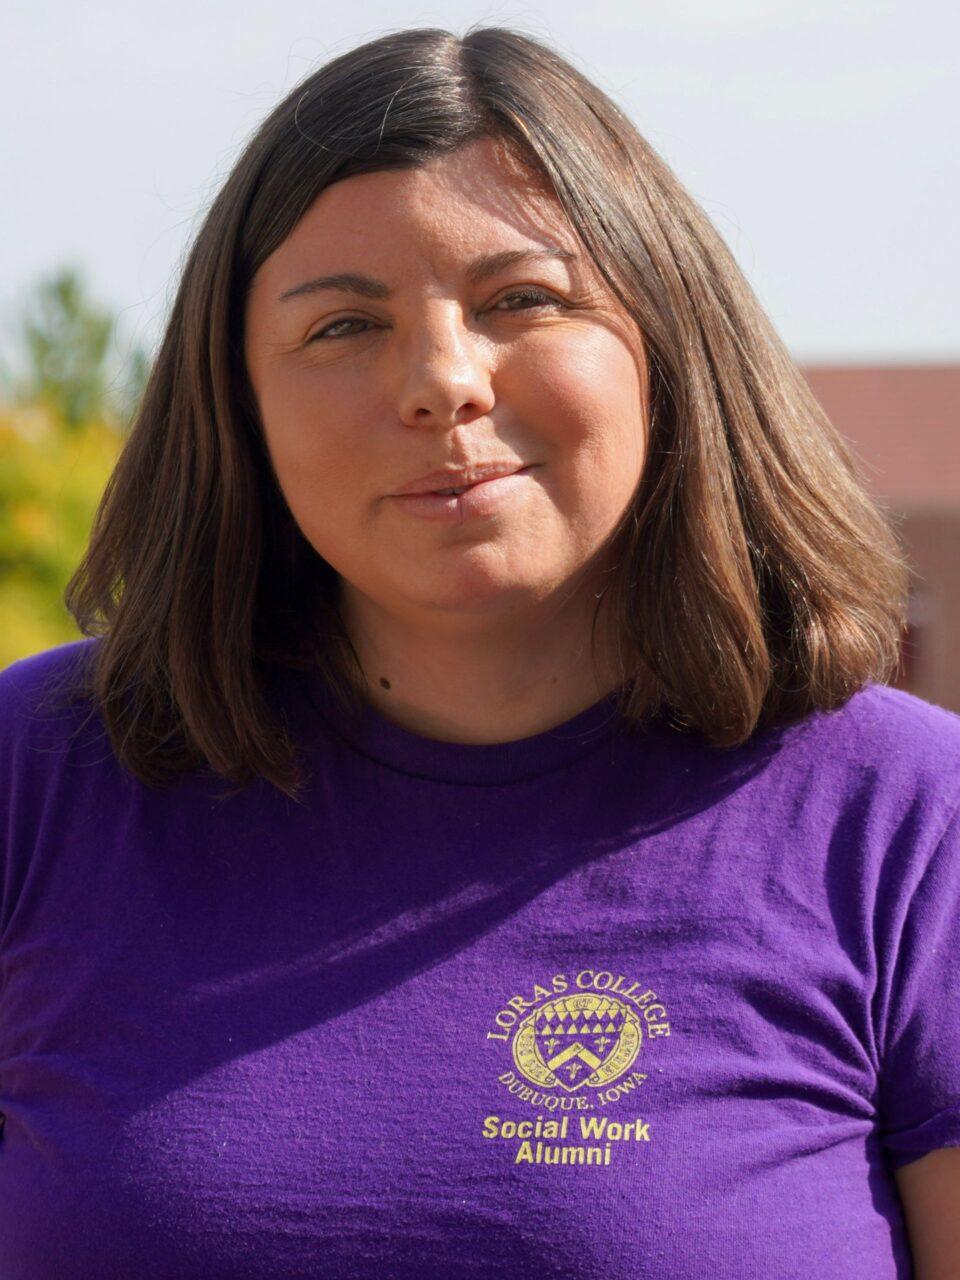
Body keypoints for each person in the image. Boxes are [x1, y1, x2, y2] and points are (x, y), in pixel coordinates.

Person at [0, 23, 958, 1280]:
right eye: (342, 324)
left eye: (525, 298)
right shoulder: (39, 775)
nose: (441, 381)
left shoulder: (908, 818)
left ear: (670, 349)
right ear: (238, 403)